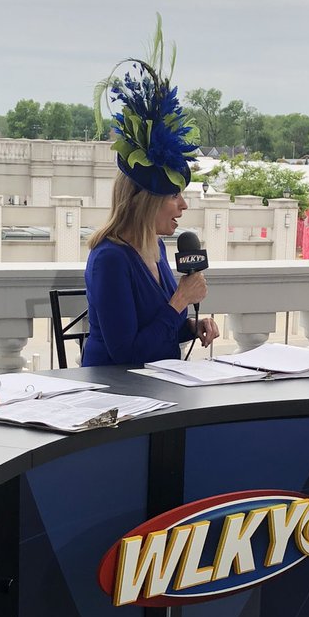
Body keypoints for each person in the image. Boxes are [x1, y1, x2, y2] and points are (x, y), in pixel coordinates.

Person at [82, 25, 220, 366]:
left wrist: (191, 326)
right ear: (146, 201)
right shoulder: (110, 259)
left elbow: (156, 328)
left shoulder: (155, 247)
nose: (183, 206)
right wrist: (180, 300)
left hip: (159, 383)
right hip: (114, 389)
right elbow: (127, 353)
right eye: (174, 196)